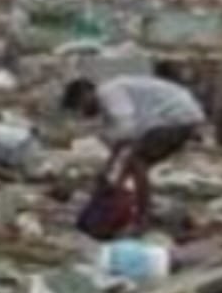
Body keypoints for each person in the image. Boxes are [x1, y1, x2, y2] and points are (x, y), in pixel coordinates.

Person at [63, 75, 206, 231]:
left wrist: (116, 177)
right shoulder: (108, 105)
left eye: (80, 106)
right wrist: (109, 171)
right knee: (134, 164)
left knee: (137, 161)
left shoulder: (108, 92)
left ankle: (141, 219)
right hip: (171, 117)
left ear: (85, 93)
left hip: (175, 115)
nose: (82, 112)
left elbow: (128, 131)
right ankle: (138, 209)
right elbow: (120, 144)